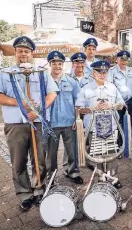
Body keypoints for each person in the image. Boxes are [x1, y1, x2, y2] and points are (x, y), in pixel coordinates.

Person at [0, 36, 59, 211]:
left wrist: (39, 110)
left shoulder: (41, 72)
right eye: (20, 51)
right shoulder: (4, 74)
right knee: (18, 161)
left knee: (39, 159)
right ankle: (24, 194)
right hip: (15, 125)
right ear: (15, 53)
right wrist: (20, 102)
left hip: (38, 122)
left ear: (31, 53)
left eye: (27, 51)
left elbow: (52, 94)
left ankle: (38, 189)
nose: (23, 54)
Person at [75, 60, 125, 188]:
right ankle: (101, 178)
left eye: (105, 72)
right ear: (93, 72)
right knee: (97, 154)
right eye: (99, 71)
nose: (102, 74)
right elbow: (79, 109)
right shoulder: (85, 89)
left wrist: (111, 105)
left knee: (111, 153)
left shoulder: (112, 87)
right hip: (93, 128)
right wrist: (93, 108)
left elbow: (121, 105)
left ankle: (113, 178)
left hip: (111, 126)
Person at [46, 51, 83, 184]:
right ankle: (51, 177)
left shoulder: (71, 82)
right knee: (51, 153)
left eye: (60, 63)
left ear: (63, 65)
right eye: (54, 63)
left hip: (69, 122)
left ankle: (72, 171)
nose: (57, 66)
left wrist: (76, 118)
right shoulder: (44, 81)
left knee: (72, 150)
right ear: (50, 64)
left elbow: (78, 102)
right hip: (51, 123)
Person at [108, 50, 132, 120]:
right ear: (117, 60)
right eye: (122, 60)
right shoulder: (112, 71)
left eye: (126, 60)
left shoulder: (131, 70)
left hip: (129, 101)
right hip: (117, 102)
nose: (124, 62)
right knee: (117, 121)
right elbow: (109, 86)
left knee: (129, 122)